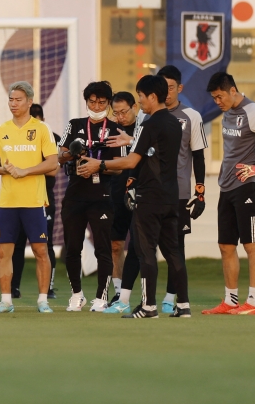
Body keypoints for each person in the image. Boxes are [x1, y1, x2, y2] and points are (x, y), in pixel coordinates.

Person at [79, 75, 190, 318]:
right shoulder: (174, 123)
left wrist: (100, 164)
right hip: (171, 196)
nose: (140, 101)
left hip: (149, 196)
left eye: (140, 96)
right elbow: (155, 155)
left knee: (145, 251)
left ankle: (149, 306)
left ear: (152, 96)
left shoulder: (148, 125)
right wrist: (132, 142)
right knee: (173, 252)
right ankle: (183, 306)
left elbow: (132, 161)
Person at [202, 71, 255, 315]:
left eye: (219, 97)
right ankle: (230, 301)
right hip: (227, 188)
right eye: (214, 98)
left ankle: (253, 302)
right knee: (226, 246)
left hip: (248, 187)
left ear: (232, 91)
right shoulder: (228, 113)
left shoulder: (253, 111)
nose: (217, 101)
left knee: (250, 244)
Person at [0, 81, 58, 314]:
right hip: (7, 202)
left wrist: (25, 171)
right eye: (11, 99)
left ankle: (43, 300)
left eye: (18, 100)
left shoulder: (42, 129)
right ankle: (6, 301)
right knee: (3, 252)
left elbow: (53, 164)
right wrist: (4, 170)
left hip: (34, 201)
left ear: (29, 102)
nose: (13, 104)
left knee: (40, 251)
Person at [57, 81, 120, 312]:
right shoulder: (74, 125)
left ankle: (102, 297)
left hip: (102, 194)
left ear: (108, 103)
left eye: (102, 102)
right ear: (86, 102)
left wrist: (98, 166)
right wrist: (72, 152)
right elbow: (60, 155)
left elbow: (120, 167)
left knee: (103, 247)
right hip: (75, 194)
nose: (96, 105)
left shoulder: (113, 129)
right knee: (72, 247)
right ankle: (76, 294)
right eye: (92, 101)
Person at [156, 65, 208, 313]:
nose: (166, 93)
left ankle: (171, 297)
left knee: (175, 246)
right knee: (144, 246)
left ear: (180, 88)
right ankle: (134, 298)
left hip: (179, 192)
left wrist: (200, 193)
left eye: (171, 87)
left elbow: (198, 156)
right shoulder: (149, 117)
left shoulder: (192, 116)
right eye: (162, 87)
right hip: (152, 192)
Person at [102, 92, 141, 314]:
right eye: (115, 113)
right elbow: (107, 163)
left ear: (134, 107)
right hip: (115, 195)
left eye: (123, 112)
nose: (120, 117)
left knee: (141, 246)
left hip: (139, 195)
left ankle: (148, 294)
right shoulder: (109, 131)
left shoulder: (144, 129)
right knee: (115, 245)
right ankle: (118, 293)